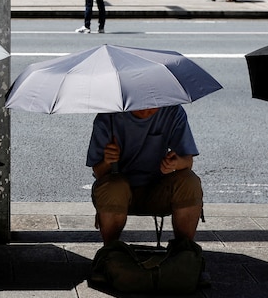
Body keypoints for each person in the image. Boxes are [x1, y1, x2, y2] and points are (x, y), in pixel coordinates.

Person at [86, 105, 203, 245]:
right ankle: (111, 250)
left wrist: (176, 163)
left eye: (152, 106)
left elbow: (187, 162)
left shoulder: (172, 111)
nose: (146, 111)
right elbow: (99, 172)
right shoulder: (108, 117)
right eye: (140, 106)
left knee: (190, 181)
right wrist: (107, 161)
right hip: (119, 194)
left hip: (158, 190)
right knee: (114, 186)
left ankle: (185, 249)